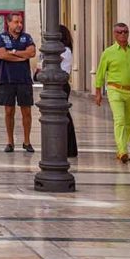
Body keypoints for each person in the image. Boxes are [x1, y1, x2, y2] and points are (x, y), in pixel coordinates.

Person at [94, 22, 130, 164]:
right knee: (119, 120)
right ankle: (122, 150)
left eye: (125, 32)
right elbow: (100, 73)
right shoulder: (108, 52)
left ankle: (123, 147)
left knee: (129, 123)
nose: (123, 34)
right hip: (115, 89)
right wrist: (98, 92)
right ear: (114, 34)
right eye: (119, 32)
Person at [0, 13, 36, 153]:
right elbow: (2, 55)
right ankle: (10, 142)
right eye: (16, 22)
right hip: (7, 79)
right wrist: (21, 56)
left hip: (24, 79)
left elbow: (31, 53)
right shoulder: (1, 37)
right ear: (8, 23)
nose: (19, 25)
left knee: (27, 111)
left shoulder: (27, 37)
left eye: (21, 22)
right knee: (9, 111)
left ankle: (27, 141)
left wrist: (13, 52)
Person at [58, 24, 78, 159]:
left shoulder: (64, 50)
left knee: (64, 116)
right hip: (58, 84)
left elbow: (49, 60)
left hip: (61, 84)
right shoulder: (63, 50)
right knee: (62, 116)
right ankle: (66, 146)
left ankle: (70, 147)